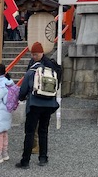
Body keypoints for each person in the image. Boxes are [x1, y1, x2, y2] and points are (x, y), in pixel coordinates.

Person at [15, 41, 61, 169]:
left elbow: (23, 90)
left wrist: (21, 98)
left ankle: (25, 161)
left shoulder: (31, 71)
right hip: (49, 104)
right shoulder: (51, 69)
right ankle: (43, 158)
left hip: (34, 104)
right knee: (43, 131)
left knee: (29, 132)